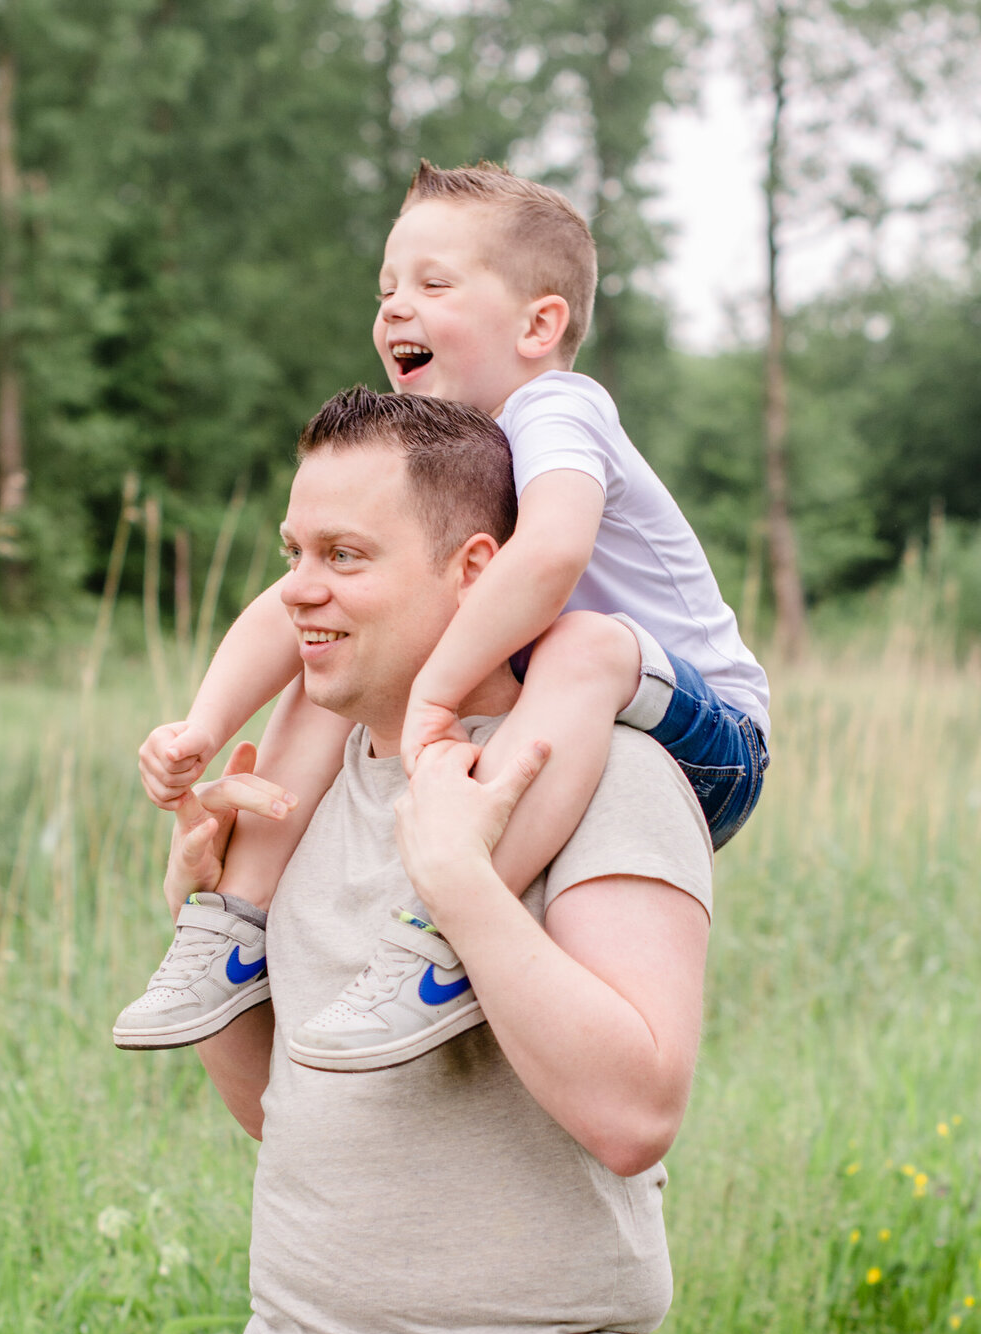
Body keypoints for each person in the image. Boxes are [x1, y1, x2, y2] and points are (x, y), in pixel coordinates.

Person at [177, 385, 712, 1334]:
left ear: (476, 571)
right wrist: (214, 913)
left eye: (345, 558)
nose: (301, 591)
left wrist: (464, 883)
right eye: (296, 551)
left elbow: (635, 1104)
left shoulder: (611, 782)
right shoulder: (317, 778)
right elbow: (283, 1108)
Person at [112, 161, 766, 1067]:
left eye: (433, 283)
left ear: (540, 324)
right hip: (577, 704)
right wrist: (203, 726)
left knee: (581, 643)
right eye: (385, 287)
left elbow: (551, 556)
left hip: (712, 734)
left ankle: (440, 943)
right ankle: (229, 931)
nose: (392, 308)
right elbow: (289, 601)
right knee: (326, 645)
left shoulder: (558, 409)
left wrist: (433, 696)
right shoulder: (454, 450)